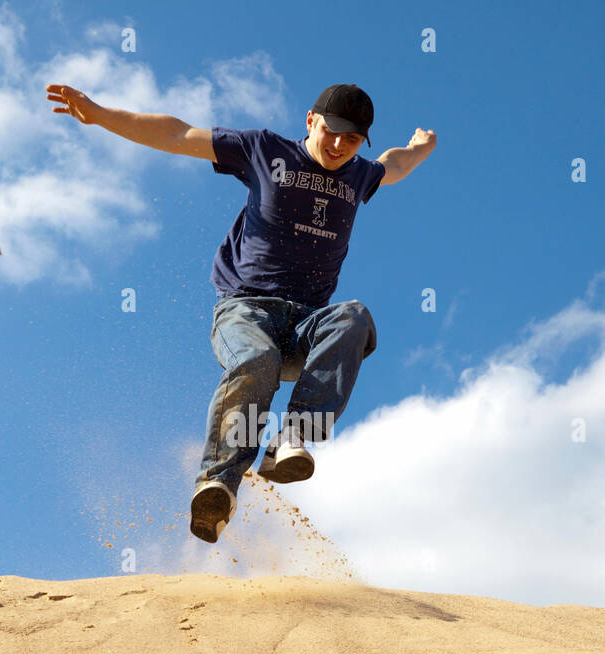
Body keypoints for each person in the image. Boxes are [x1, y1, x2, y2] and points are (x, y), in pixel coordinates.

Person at [46, 81, 436, 542]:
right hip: (246, 312)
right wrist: (101, 114)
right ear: (311, 121)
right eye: (331, 132)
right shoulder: (263, 150)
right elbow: (177, 135)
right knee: (257, 362)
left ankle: (291, 439)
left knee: (353, 316)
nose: (337, 146)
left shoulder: (360, 175)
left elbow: (396, 164)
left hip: (307, 326)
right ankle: (218, 485)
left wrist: (419, 147)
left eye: (351, 140)